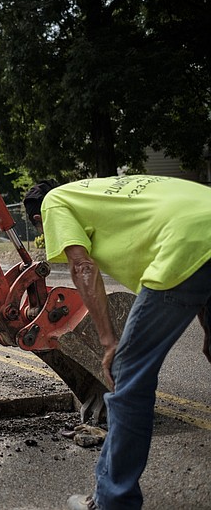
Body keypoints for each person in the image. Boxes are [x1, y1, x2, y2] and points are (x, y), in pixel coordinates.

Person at [23, 175, 211, 510]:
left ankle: (112, 501)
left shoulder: (54, 202)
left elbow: (82, 267)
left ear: (39, 219)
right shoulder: (103, 188)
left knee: (126, 371)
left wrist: (109, 341)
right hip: (201, 224)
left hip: (183, 248)